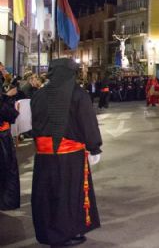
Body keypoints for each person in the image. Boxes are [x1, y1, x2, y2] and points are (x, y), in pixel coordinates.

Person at [31, 58, 102, 246]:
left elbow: (35, 126)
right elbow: (87, 122)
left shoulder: (39, 95)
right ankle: (63, 234)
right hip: (69, 156)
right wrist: (94, 146)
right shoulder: (77, 95)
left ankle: (54, 231)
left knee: (48, 194)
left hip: (44, 156)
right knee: (68, 194)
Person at [0, 84, 20, 210]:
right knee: (6, 170)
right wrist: (8, 98)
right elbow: (10, 115)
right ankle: (5, 201)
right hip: (2, 138)